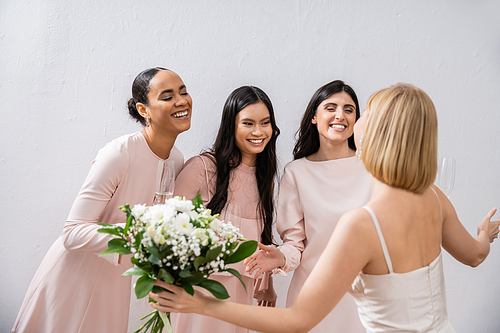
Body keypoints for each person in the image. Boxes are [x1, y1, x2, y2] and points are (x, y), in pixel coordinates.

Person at [149, 83, 500, 333]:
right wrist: (484, 234)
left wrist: (199, 304)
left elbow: (299, 321)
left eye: (364, 113)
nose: (351, 119)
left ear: (379, 133)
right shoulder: (434, 197)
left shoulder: (362, 223)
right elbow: (474, 255)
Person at [12, 67, 191, 333]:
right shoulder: (119, 153)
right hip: (73, 277)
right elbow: (72, 232)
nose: (181, 101)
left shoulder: (177, 160)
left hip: (114, 282)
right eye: (167, 96)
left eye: (183, 92)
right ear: (144, 110)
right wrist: (133, 237)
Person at [244, 80, 371, 332]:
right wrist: (280, 257)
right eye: (331, 107)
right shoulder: (296, 173)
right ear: (314, 116)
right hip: (312, 294)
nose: (340, 116)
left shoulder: (374, 168)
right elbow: (295, 243)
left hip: (364, 296)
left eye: (349, 109)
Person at [170, 86, 280, 333]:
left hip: (241, 294)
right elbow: (169, 228)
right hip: (200, 291)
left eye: (265, 123)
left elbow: (259, 239)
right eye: (248, 123)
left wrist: (266, 284)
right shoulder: (204, 168)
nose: (258, 132)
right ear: (232, 126)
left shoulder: (265, 178)